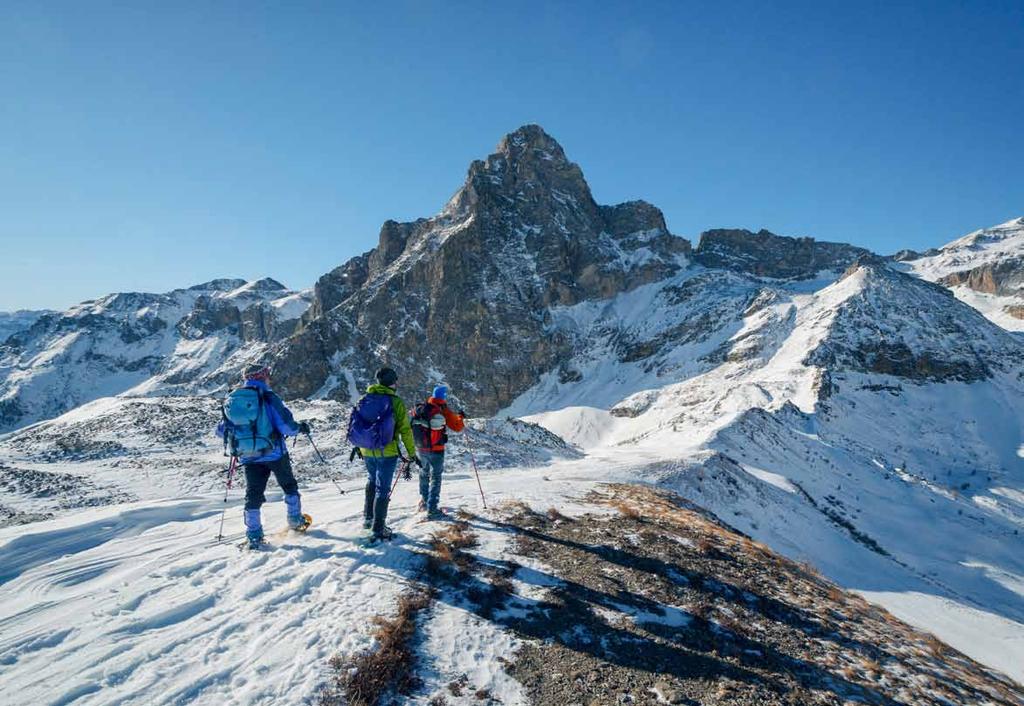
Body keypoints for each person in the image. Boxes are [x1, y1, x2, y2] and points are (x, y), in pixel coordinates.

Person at [218, 364, 311, 548]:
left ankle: (254, 535)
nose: (270, 379)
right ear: (263, 377)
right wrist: (300, 428)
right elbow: (287, 427)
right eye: (268, 376)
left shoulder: (233, 400)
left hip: (248, 456)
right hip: (274, 452)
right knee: (289, 486)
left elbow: (221, 430)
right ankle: (295, 520)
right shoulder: (268, 397)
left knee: (253, 493)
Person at [358, 367, 419, 543]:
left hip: (367, 449)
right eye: (396, 380)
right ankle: (378, 529)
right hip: (388, 451)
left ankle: (368, 520)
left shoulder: (365, 398)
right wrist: (411, 453)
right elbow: (405, 430)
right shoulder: (395, 401)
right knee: (382, 488)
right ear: (392, 382)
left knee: (371, 481)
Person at [412, 385, 465, 519]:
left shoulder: (422, 408)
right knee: (436, 477)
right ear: (443, 396)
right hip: (436, 449)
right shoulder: (442, 409)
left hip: (420, 448)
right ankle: (433, 508)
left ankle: (424, 501)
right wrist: (460, 417)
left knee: (424, 473)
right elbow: (457, 427)